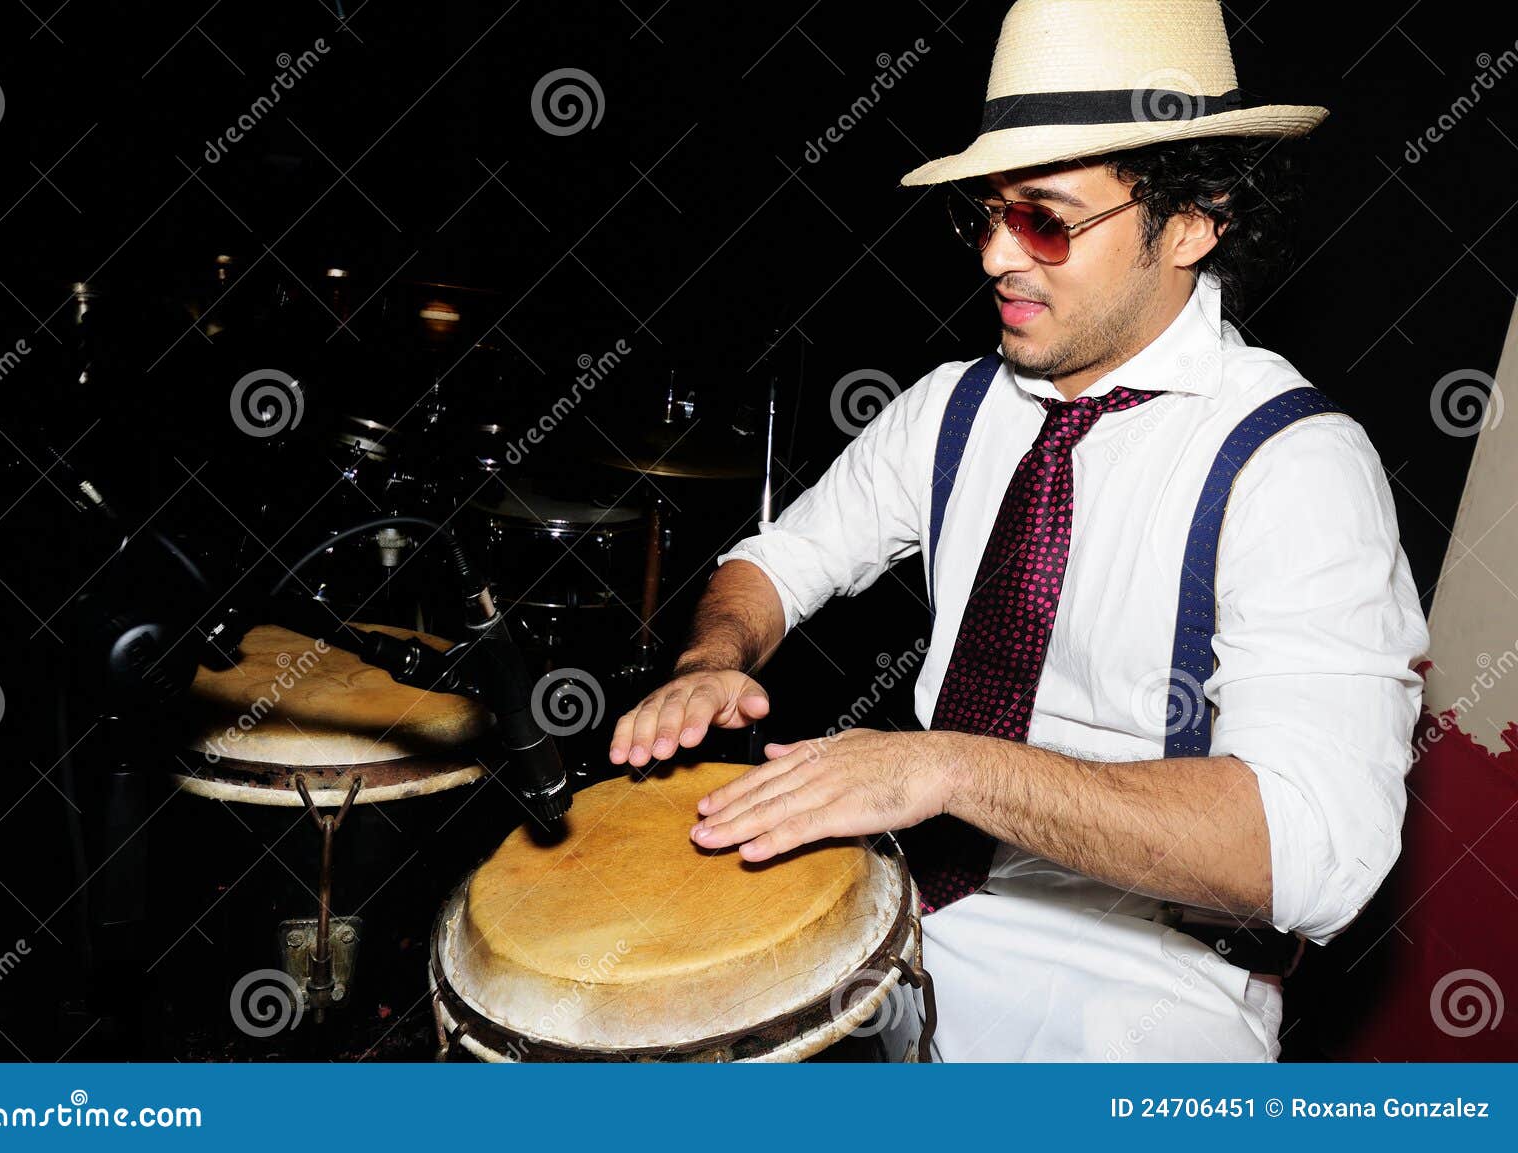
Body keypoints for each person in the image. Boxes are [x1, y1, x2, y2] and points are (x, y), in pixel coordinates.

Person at [608, 0, 1430, 1061]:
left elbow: (1316, 850)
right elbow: (778, 559)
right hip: (905, 918)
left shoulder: (1294, 466)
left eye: (1044, 218)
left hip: (1146, 985)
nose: (996, 255)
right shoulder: (953, 406)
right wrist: (712, 657)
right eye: (982, 215)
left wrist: (950, 769)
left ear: (1192, 218)